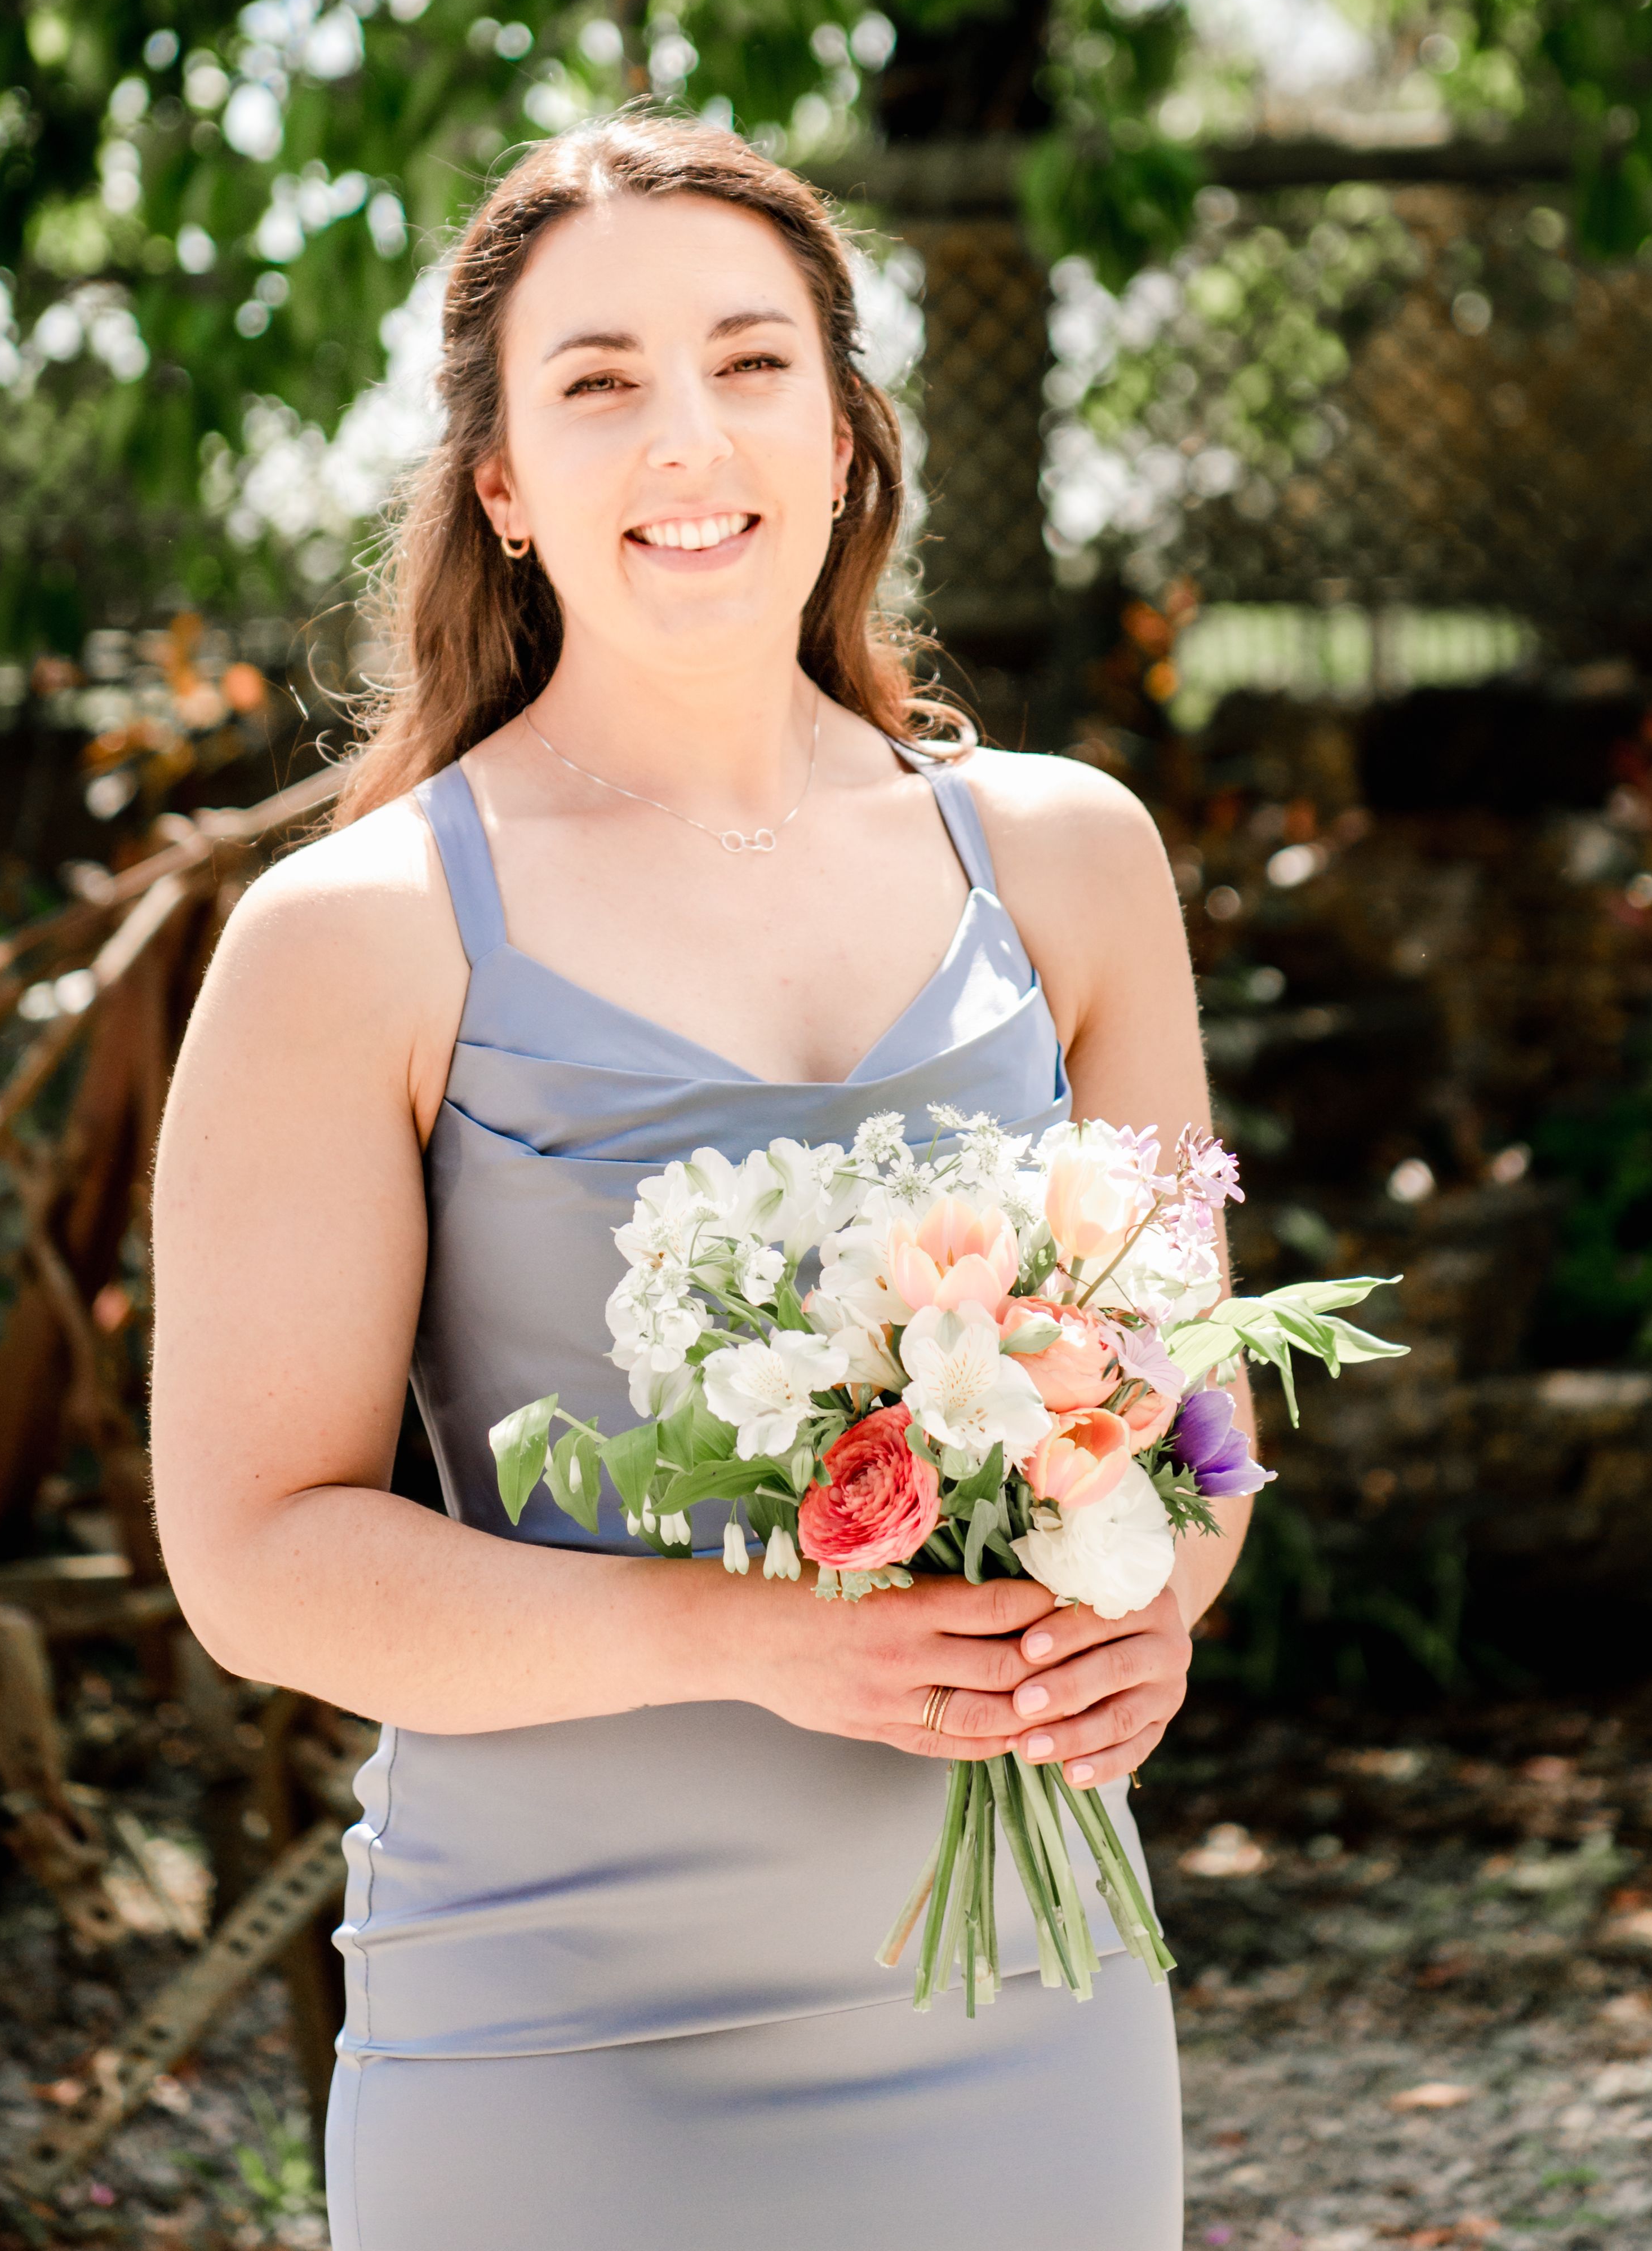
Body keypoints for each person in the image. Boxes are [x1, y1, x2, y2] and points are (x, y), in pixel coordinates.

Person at [150, 114, 1258, 2247]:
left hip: (1028, 2003)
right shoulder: (356, 933)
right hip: (560, 2024)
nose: (691, 438)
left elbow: (1192, 1420)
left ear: (843, 436)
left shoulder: (1072, 859)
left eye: (755, 365)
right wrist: (757, 1641)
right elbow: (258, 1556)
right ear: (501, 483)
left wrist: (1160, 1619)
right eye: (598, 383)